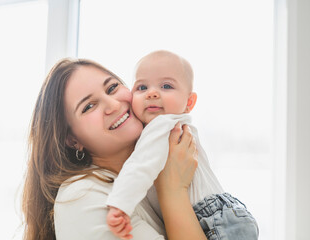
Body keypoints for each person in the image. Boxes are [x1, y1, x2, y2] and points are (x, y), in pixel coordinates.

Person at [21, 58, 207, 240]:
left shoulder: (158, 165)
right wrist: (173, 191)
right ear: (72, 140)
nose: (114, 105)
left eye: (112, 88)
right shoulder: (81, 197)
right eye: (89, 107)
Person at [106, 50, 259, 239]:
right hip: (227, 214)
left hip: (209, 220)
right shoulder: (179, 125)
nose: (152, 93)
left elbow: (139, 167)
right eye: (142, 87)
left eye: (166, 86)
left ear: (189, 102)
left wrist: (120, 204)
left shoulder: (161, 126)